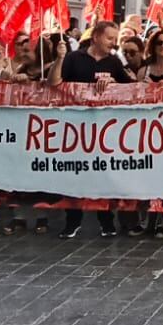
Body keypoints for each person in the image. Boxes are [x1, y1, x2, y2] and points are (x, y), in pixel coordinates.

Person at [47, 22, 134, 239]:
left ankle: (106, 220)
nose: (113, 43)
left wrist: (113, 82)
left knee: (103, 174)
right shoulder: (74, 58)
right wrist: (59, 59)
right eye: (109, 38)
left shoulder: (114, 61)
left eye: (115, 39)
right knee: (74, 174)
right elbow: (54, 82)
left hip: (103, 130)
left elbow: (131, 87)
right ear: (95, 36)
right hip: (75, 127)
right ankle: (72, 221)